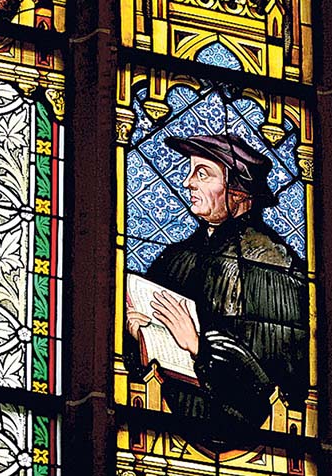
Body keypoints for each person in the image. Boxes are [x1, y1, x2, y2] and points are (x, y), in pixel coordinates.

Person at [126, 130, 308, 446]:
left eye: (202, 174)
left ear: (238, 191)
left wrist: (198, 346)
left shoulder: (272, 262)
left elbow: (282, 377)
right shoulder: (178, 258)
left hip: (242, 441)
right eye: (190, 172)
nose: (188, 183)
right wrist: (135, 332)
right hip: (162, 421)